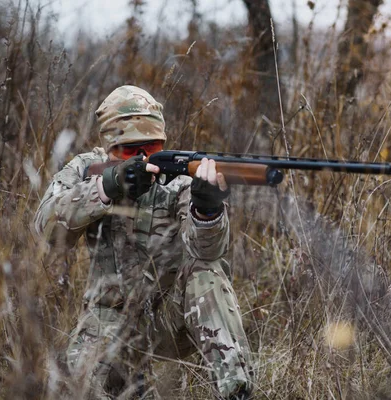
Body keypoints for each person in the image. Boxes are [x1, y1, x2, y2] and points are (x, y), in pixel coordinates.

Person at [34, 85, 253, 399]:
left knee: (208, 274)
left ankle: (236, 389)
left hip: (168, 319)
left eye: (151, 146)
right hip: (106, 320)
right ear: (109, 147)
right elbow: (45, 227)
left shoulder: (180, 177)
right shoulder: (86, 168)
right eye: (128, 150)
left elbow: (208, 251)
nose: (142, 157)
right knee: (70, 390)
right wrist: (109, 185)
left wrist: (208, 209)